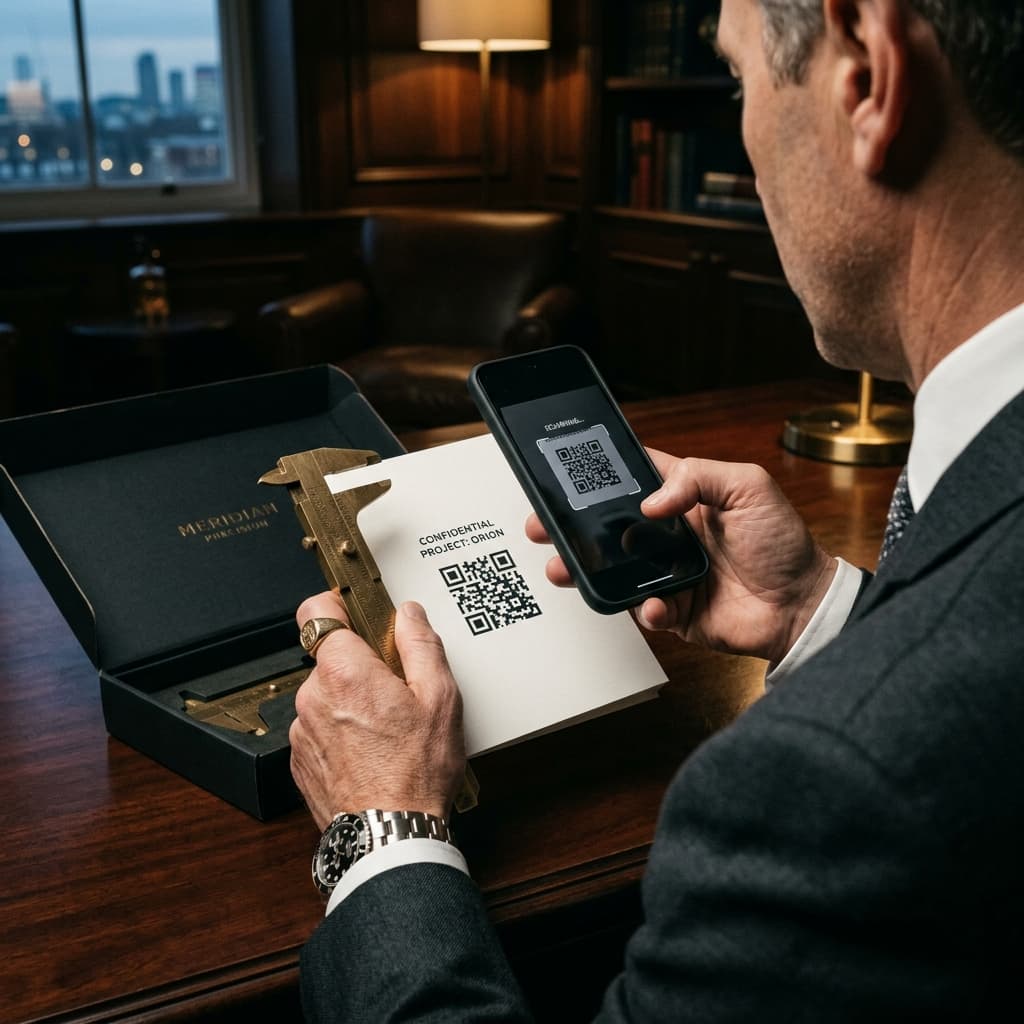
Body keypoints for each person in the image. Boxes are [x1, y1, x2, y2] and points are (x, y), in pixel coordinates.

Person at [289, 0, 1024, 1018]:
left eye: (738, 79)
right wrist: (820, 610)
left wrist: (381, 832)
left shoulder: (825, 788)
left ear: (866, 68)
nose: (748, 141)